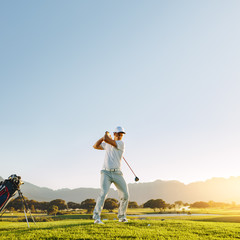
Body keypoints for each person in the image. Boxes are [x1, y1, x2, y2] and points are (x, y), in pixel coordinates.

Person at [92, 126, 129, 224]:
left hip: (117, 173)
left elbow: (107, 139)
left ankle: (122, 217)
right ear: (115, 134)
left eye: (122, 134)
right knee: (103, 194)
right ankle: (97, 218)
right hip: (105, 172)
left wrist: (106, 135)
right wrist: (103, 138)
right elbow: (95, 146)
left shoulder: (121, 143)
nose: (121, 135)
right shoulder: (108, 144)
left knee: (125, 195)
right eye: (119, 133)